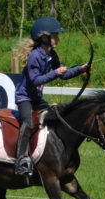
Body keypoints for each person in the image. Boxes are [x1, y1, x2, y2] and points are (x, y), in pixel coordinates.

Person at [14, 16, 90, 176]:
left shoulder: (52, 54)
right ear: (44, 37)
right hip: (25, 98)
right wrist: (55, 72)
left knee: (54, 119)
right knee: (28, 123)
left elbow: (63, 74)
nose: (58, 38)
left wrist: (80, 70)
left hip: (37, 98)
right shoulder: (34, 56)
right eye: (55, 35)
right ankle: (21, 159)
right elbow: (35, 80)